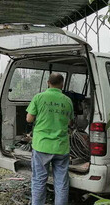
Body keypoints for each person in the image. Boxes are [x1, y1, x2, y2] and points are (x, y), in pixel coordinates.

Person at [26, 73, 74, 205]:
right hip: (61, 146)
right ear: (62, 84)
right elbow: (70, 123)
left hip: (42, 145)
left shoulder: (39, 97)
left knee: (39, 180)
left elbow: (29, 119)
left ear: (48, 83)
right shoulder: (67, 101)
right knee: (61, 182)